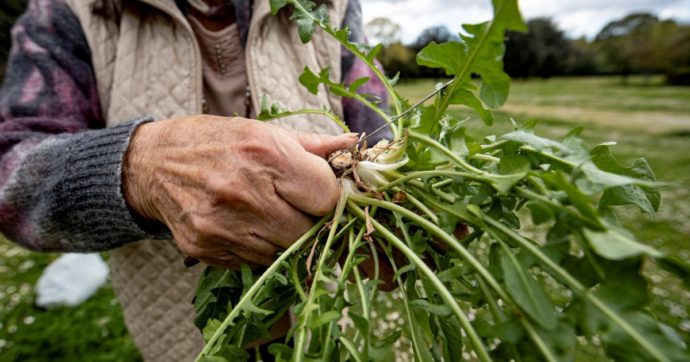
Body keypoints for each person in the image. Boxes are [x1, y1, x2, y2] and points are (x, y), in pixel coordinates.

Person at [0, 0, 390, 360]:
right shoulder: (70, 9)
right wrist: (141, 167)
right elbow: (10, 172)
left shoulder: (329, 4)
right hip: (181, 334)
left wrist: (406, 208)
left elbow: (376, 137)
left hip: (323, 317)